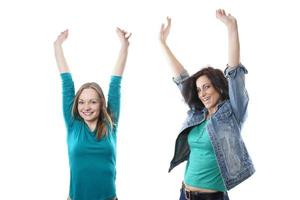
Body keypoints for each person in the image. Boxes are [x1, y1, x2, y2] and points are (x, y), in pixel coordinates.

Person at [160, 9, 255, 200]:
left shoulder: (233, 113)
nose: (202, 93)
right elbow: (182, 79)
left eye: (206, 87)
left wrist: (232, 27)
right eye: (199, 89)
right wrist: (163, 43)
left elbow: (235, 73)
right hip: (184, 194)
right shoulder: (198, 113)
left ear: (219, 87)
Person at [54, 28, 131, 200]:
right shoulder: (73, 124)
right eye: (81, 102)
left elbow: (115, 83)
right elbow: (66, 82)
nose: (86, 107)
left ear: (102, 104)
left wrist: (124, 46)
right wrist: (58, 45)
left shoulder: (111, 122)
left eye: (93, 102)